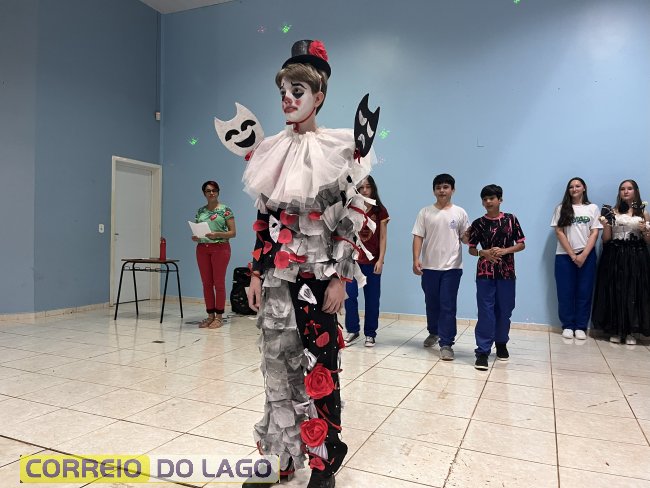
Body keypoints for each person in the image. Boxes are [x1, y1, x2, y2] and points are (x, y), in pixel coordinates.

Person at [242, 40, 374, 488]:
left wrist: (340, 278)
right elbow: (265, 222)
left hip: (319, 280)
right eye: (283, 91)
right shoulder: (270, 151)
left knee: (319, 368)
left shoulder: (339, 150)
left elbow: (353, 217)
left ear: (318, 96)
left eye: (297, 91)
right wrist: (255, 273)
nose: (287, 99)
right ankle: (280, 456)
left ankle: (322, 461)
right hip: (277, 282)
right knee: (277, 367)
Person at [412, 173, 470, 361]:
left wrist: (471, 236)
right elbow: (418, 236)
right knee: (432, 302)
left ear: (453, 190)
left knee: (447, 304)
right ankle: (434, 332)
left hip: (452, 268)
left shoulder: (460, 212)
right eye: (438, 187)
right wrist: (416, 259)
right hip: (429, 267)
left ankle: (446, 343)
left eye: (445, 187)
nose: (442, 190)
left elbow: (465, 238)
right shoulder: (425, 212)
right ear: (434, 191)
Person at [468, 185, 525, 371]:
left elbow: (521, 244)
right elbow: (471, 249)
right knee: (485, 311)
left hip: (507, 272)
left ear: (500, 199)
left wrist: (505, 250)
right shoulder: (478, 223)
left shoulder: (511, 220)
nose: (488, 202)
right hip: (484, 273)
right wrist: (483, 253)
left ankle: (501, 343)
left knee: (505, 309)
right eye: (485, 199)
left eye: (491, 198)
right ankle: (482, 351)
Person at [592, 179, 650, 345]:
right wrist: (606, 225)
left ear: (636, 191)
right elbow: (606, 239)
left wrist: (645, 230)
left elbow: (648, 241)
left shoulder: (643, 213)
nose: (625, 191)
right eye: (622, 189)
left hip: (636, 255)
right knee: (615, 289)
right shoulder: (612, 212)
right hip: (615, 255)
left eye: (629, 188)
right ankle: (615, 329)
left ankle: (631, 331)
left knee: (634, 290)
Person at [550, 177, 602, 340]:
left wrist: (584, 255)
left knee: (584, 291)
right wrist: (573, 255)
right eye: (571, 186)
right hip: (564, 256)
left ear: (584, 188)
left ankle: (580, 326)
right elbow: (559, 232)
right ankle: (567, 325)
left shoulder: (592, 208)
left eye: (578, 186)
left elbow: (595, 232)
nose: (574, 189)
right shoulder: (561, 208)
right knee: (565, 292)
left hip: (587, 255)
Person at [344, 176, 390, 347]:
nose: (364, 190)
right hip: (352, 262)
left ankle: (370, 333)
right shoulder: (351, 208)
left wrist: (381, 260)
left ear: (373, 189)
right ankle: (352, 330)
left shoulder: (380, 211)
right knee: (349, 296)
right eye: (361, 187)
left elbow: (383, 237)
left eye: (368, 187)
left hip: (372, 263)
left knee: (372, 299)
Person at [192, 180, 236, 329]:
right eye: (208, 191)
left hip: (220, 248)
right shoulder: (201, 211)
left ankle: (219, 316)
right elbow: (198, 229)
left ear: (218, 192)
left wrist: (217, 234)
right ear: (204, 193)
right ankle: (210, 315)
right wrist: (196, 237)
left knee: (219, 282)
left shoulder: (225, 210)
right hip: (202, 248)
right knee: (206, 283)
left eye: (214, 190)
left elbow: (233, 233)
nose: (211, 193)